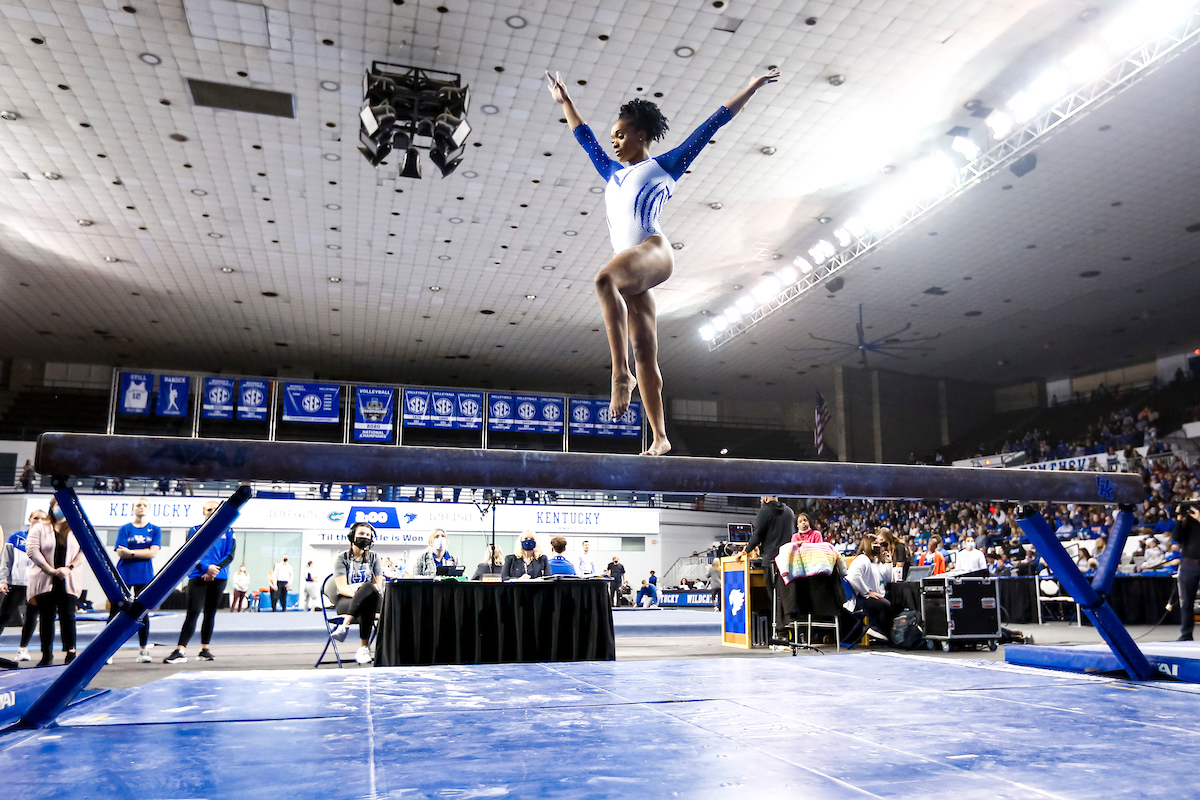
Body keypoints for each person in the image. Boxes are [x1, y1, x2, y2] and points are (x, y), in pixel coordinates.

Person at [547, 66, 780, 455]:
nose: (615, 142)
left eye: (621, 135)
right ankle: (660, 437)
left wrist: (752, 86)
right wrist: (566, 101)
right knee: (645, 350)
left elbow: (712, 125)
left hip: (653, 251)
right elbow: (584, 137)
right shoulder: (612, 173)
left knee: (604, 281)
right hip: (633, 264)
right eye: (613, 138)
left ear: (641, 134)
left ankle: (619, 375)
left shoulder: (665, 165)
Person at [163, 500, 236, 664]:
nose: (212, 511)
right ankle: (180, 650)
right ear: (204, 512)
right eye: (209, 509)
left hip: (219, 577)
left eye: (215, 509)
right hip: (198, 576)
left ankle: (204, 649)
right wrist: (205, 568)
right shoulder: (195, 530)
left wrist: (214, 570)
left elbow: (230, 555)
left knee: (210, 614)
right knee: (193, 612)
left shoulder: (229, 531)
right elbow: (190, 553)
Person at [27, 498, 85, 666]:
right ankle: (47, 654)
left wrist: (69, 567)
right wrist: (50, 570)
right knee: (46, 617)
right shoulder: (40, 527)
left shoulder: (76, 527)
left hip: (68, 578)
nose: (60, 508)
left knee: (68, 616)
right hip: (45, 578)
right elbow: (32, 550)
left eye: (63, 505)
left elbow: (84, 551)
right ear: (52, 507)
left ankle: (71, 651)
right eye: (58, 505)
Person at [109, 497, 161, 663]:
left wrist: (131, 552)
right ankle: (107, 651)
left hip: (144, 575)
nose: (141, 507)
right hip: (124, 573)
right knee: (115, 611)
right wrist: (141, 552)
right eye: (138, 505)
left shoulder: (155, 530)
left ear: (149, 509)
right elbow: (120, 552)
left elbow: (153, 553)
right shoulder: (125, 529)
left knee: (142, 612)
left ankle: (144, 650)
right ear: (133, 509)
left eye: (145, 505)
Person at [326, 521, 385, 665]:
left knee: (368, 588)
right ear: (352, 536)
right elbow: (342, 588)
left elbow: (378, 585)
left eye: (368, 535)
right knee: (367, 602)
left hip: (370, 596)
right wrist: (360, 596)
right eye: (361, 534)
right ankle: (363, 648)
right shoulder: (342, 558)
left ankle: (344, 626)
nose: (365, 537)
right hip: (347, 599)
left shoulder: (374, 557)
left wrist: (364, 593)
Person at [738, 496, 796, 639]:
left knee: (775, 597)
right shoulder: (789, 511)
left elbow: (757, 535)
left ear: (764, 497)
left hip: (771, 561)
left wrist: (745, 551)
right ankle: (791, 631)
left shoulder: (765, 511)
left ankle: (781, 634)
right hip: (789, 560)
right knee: (787, 596)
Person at [0, 511, 43, 662]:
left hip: (36, 585)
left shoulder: (46, 540)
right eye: (36, 518)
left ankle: (23, 649)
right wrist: (3, 580)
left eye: (42, 519)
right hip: (16, 583)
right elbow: (6, 561)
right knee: (4, 615)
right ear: (30, 519)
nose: (38, 521)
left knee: (31, 617)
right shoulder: (16, 537)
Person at [846, 533, 892, 641]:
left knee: (889, 602)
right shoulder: (862, 559)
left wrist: (888, 563)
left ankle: (883, 633)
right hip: (860, 599)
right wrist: (867, 592)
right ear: (867, 544)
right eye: (875, 543)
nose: (878, 546)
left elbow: (888, 579)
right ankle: (874, 628)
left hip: (872, 595)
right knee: (885, 605)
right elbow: (853, 577)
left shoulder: (875, 562)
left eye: (878, 544)